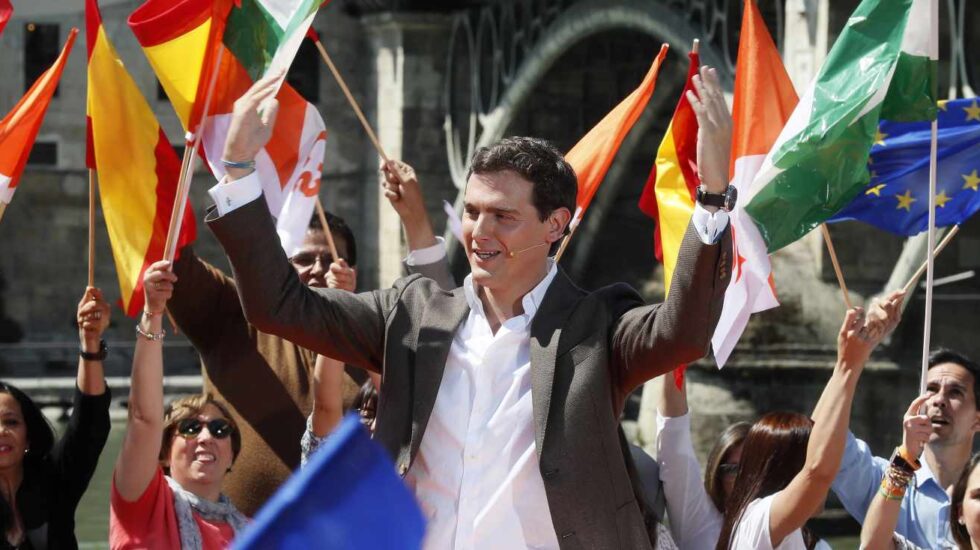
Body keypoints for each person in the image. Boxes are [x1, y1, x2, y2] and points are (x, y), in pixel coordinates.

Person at [205, 60, 733, 548]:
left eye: (503, 216)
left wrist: (711, 198)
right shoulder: (411, 316)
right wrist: (237, 170)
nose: (478, 232)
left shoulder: (597, 324)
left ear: (555, 226)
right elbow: (280, 306)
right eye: (472, 212)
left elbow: (682, 332)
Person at [166, 178, 447, 514]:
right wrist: (218, 174)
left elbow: (440, 322)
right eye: (303, 260)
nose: (318, 269)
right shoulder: (231, 317)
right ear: (276, 271)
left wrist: (415, 219)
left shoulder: (375, 342)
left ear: (353, 272)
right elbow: (172, 257)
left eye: (332, 260)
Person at [716, 292, 904, 550]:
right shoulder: (757, 521)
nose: (827, 460)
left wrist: (851, 359)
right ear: (785, 469)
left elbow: (819, 435)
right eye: (807, 457)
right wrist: (849, 367)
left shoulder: (810, 542)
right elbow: (819, 470)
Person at [110, 261, 249, 549]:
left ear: (232, 457)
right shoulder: (143, 504)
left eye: (220, 430)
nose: (206, 437)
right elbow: (144, 418)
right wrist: (153, 313)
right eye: (189, 427)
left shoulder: (251, 532)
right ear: (162, 454)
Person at [833, 348, 980, 548]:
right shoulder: (879, 478)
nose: (939, 400)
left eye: (955, 392)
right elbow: (827, 444)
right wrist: (848, 363)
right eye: (931, 389)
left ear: (978, 419)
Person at [0, 287, 111, 548]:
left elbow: (88, 422)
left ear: (29, 434)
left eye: (11, 421)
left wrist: (90, 343)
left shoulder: (55, 482)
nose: (1, 430)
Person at [656, 371, 751, 549]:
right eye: (732, 469)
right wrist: (675, 360)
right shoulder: (700, 522)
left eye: (752, 466)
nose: (743, 477)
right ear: (717, 474)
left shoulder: (795, 533)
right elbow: (673, 439)